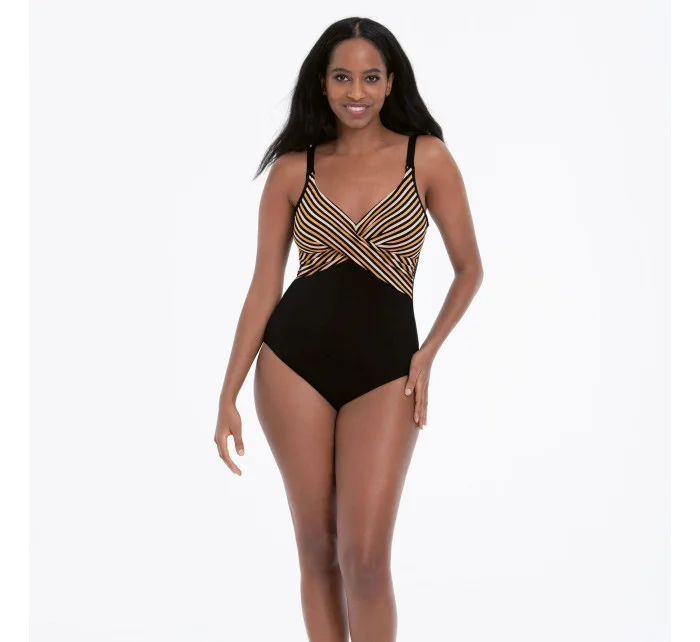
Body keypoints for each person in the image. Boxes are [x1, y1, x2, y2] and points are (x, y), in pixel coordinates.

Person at [214, 16, 483, 642]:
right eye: (341, 77)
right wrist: (228, 392)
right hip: (291, 367)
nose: (355, 91)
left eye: (369, 77)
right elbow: (264, 287)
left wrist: (428, 353)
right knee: (317, 550)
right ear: (322, 83)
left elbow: (469, 269)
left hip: (389, 370)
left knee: (364, 559)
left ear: (390, 84)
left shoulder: (426, 157)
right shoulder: (293, 169)